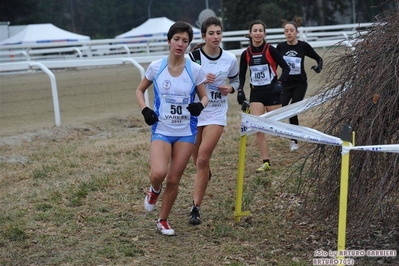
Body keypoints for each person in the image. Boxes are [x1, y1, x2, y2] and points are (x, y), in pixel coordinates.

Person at [136, 21, 208, 236]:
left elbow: (204, 96)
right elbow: (140, 91)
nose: (180, 44)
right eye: (176, 39)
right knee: (158, 173)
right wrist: (145, 110)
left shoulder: (194, 70)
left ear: (188, 45)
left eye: (185, 41)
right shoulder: (156, 67)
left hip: (186, 131)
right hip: (162, 129)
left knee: (174, 179)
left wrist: (200, 105)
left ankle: (163, 220)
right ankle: (154, 189)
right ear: (169, 41)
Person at [187, 16, 239, 225]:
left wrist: (231, 88)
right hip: (195, 113)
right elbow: (182, 79)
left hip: (216, 113)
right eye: (211, 33)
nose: (216, 37)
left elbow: (236, 79)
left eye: (218, 33)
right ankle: (205, 173)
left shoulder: (230, 58)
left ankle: (195, 208)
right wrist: (198, 80)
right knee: (197, 161)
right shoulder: (193, 57)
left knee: (202, 158)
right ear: (203, 35)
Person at [237, 20, 290, 172]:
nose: (258, 33)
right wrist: (241, 91)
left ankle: (292, 143)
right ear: (250, 33)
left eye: (261, 30)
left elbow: (286, 68)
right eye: (255, 30)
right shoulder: (245, 54)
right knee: (258, 127)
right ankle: (266, 161)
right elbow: (242, 76)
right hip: (257, 94)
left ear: (264, 34)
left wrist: (280, 83)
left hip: (272, 91)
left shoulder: (270, 49)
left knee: (277, 126)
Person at [276, 16, 323, 151]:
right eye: (286, 31)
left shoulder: (303, 46)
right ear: (284, 33)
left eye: (291, 30)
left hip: (300, 84)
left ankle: (294, 140)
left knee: (292, 110)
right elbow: (272, 61)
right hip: (285, 83)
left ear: (296, 32)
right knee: (283, 108)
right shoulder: (280, 47)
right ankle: (286, 131)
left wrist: (318, 67)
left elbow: (319, 59)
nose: (289, 33)